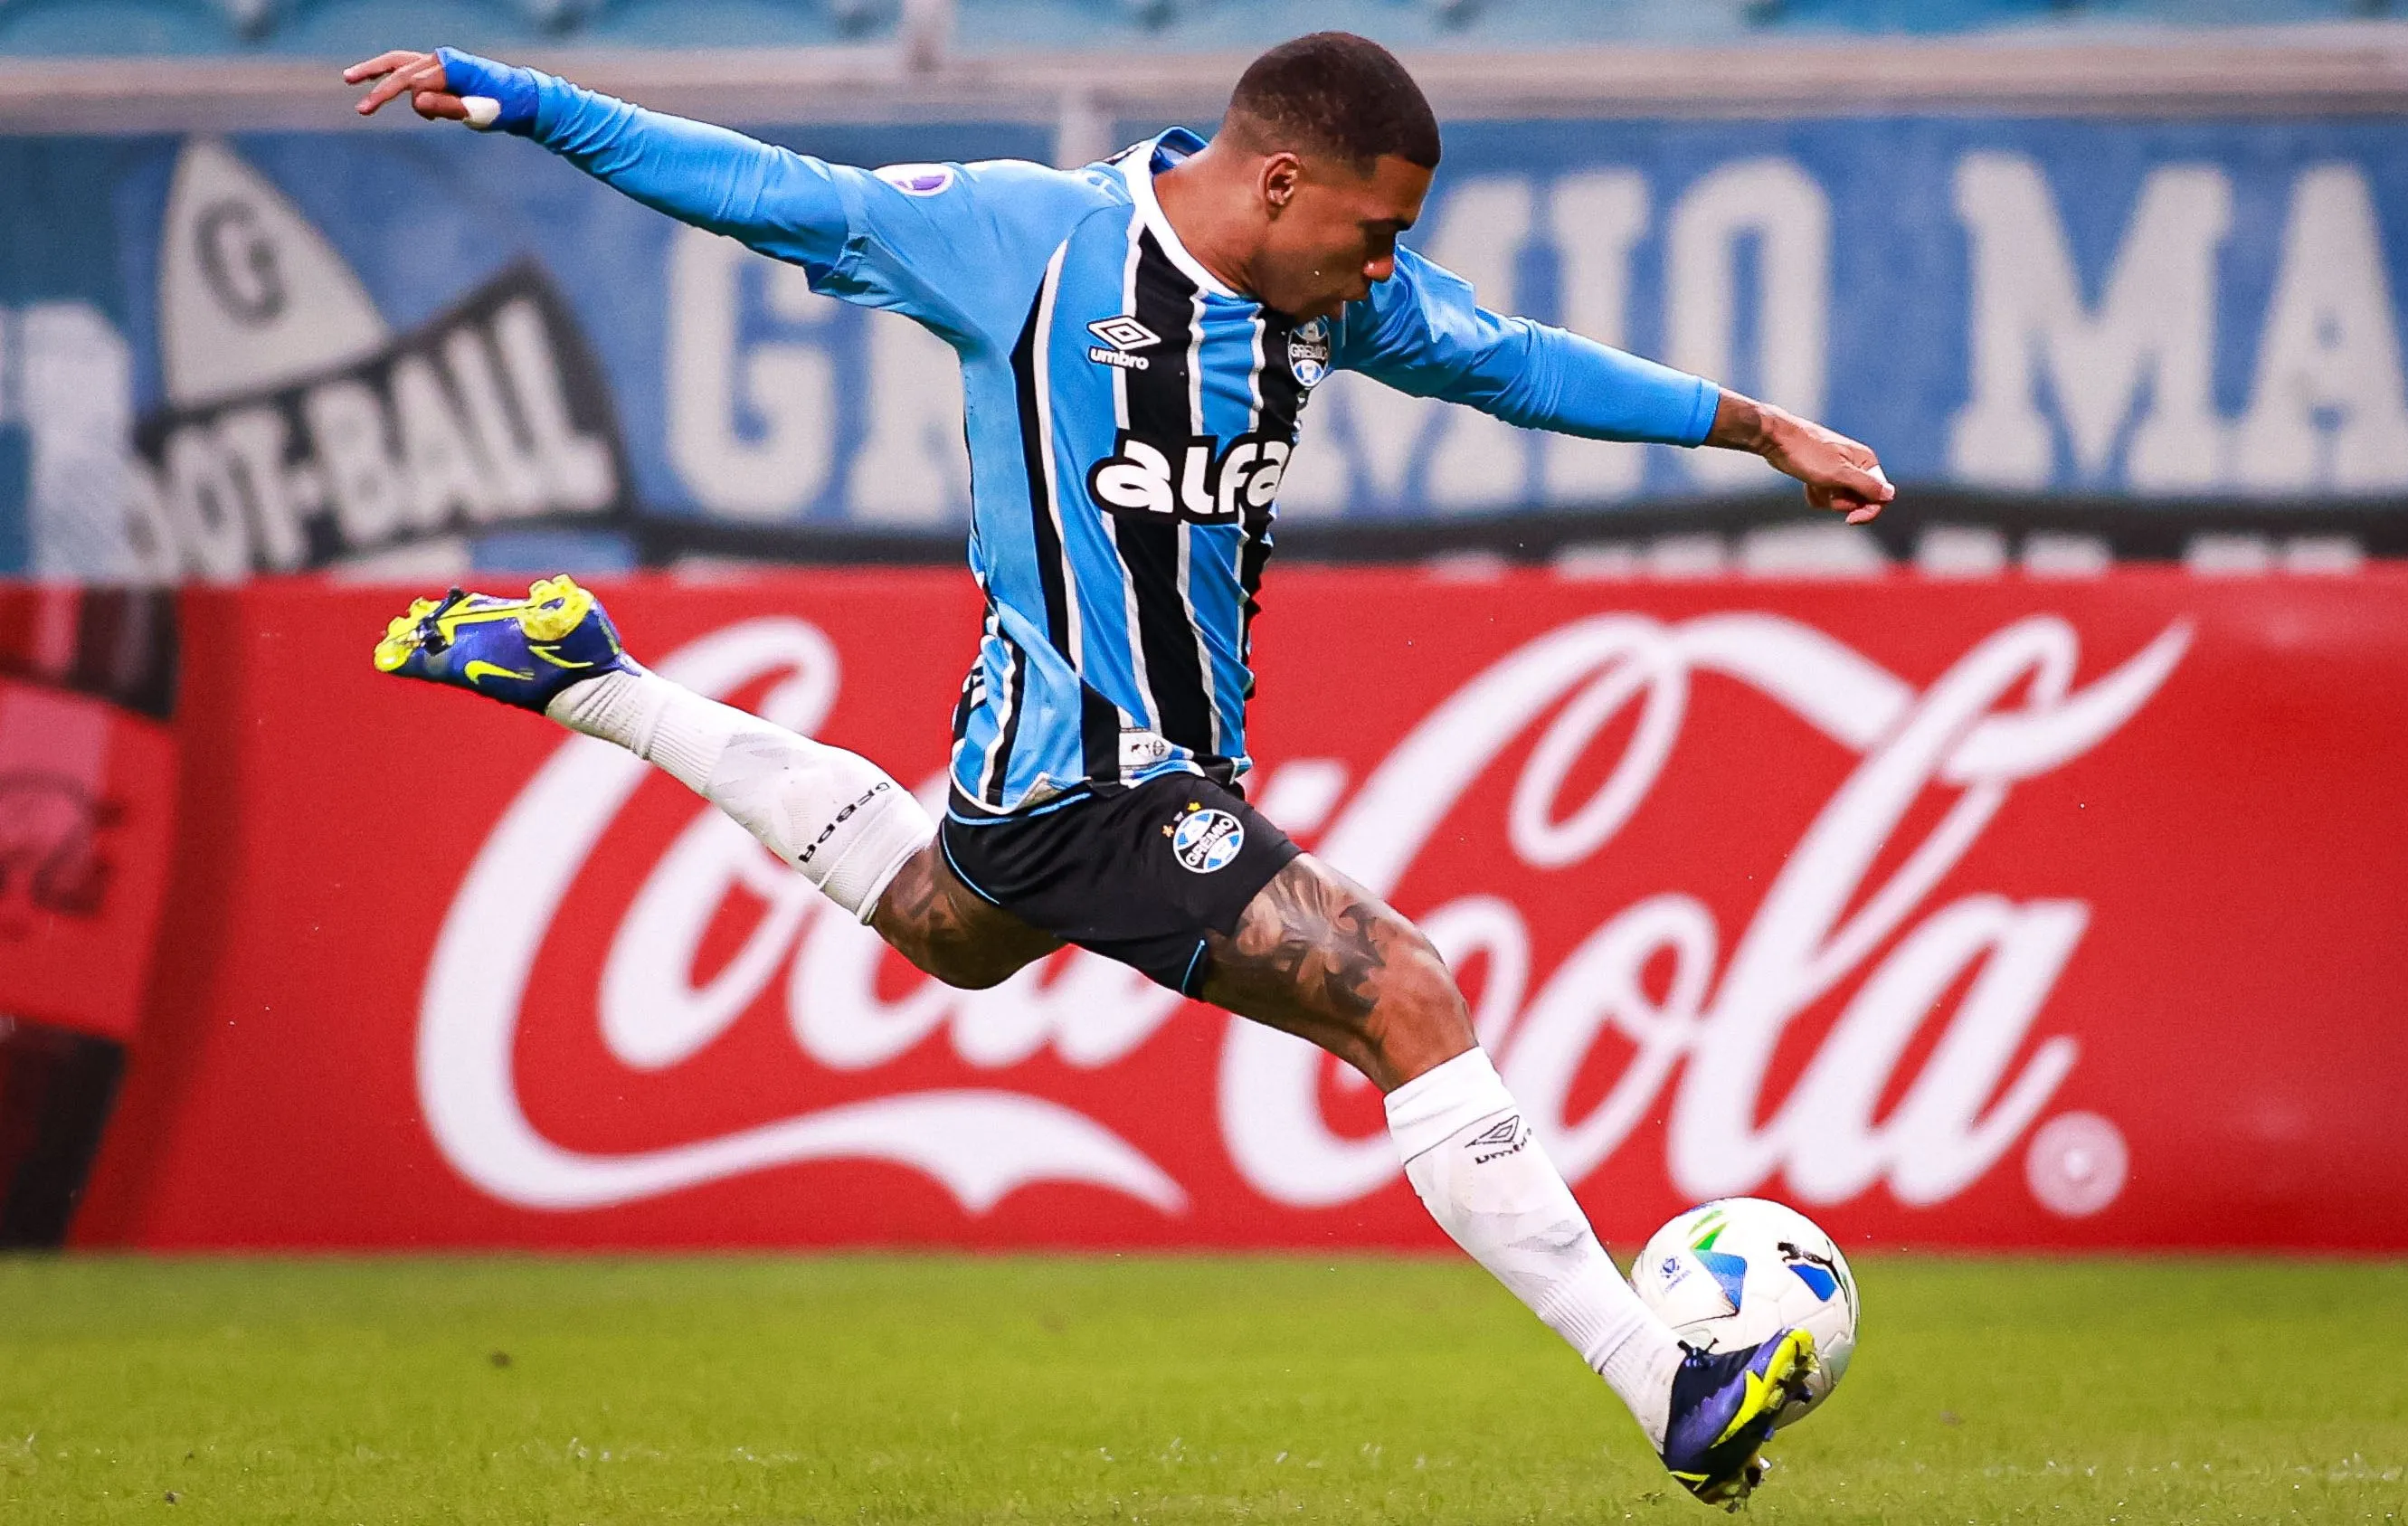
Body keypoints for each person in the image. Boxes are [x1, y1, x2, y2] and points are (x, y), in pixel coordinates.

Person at [352, 31, 1891, 1509]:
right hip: (1099, 771)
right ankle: (1660, 1380)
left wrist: (1759, 431)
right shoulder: (1031, 243)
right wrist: (521, 98)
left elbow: (1515, 361)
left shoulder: (1330, 302)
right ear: (1281, 181)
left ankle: (589, 678)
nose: (1386, 268)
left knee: (944, 928)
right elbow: (773, 190)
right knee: (1401, 987)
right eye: (1375, 230)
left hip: (1063, 781)